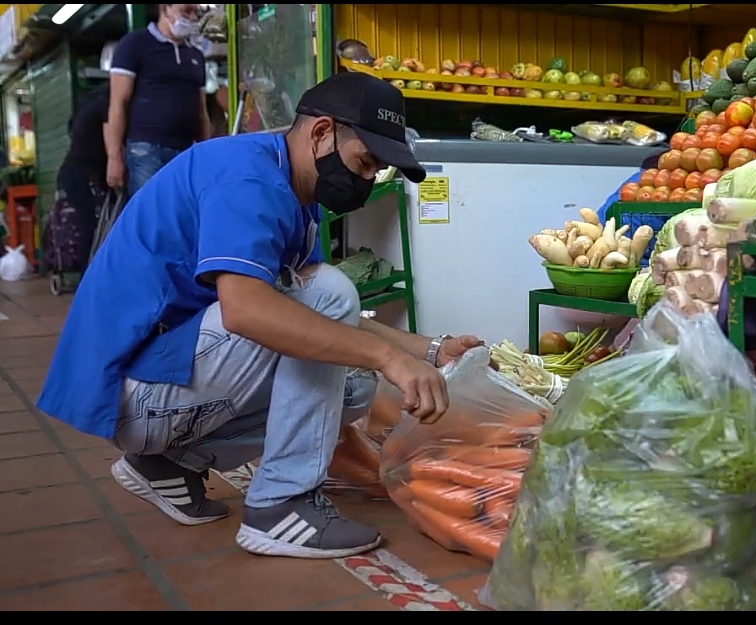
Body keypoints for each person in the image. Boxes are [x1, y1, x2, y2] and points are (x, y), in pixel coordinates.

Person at [38, 71, 484, 560]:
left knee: (351, 384)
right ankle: (279, 507)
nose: (365, 179)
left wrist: (431, 350)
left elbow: (311, 316)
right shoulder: (248, 177)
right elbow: (249, 311)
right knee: (332, 301)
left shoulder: (290, 188)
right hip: (131, 392)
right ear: (321, 133)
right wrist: (387, 357)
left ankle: (167, 465)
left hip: (159, 380)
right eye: (364, 162)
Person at [105, 3, 210, 195]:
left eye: (195, 12)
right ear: (165, 8)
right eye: (186, 11)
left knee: (182, 213)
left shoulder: (196, 56)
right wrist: (114, 157)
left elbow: (201, 111)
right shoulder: (134, 44)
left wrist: (205, 152)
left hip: (186, 151)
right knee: (150, 212)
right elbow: (118, 103)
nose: (193, 18)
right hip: (146, 150)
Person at [56, 82, 110, 270]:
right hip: (84, 173)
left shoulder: (90, 102)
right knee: (90, 225)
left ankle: (88, 276)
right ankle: (89, 277)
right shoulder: (105, 105)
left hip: (74, 172)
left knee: (87, 224)